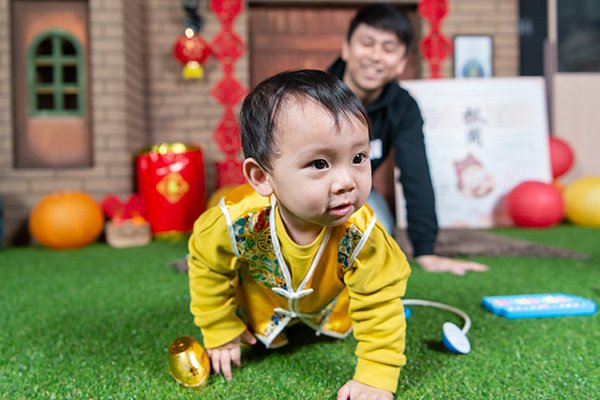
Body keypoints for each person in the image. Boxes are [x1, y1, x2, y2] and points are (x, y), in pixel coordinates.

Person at [188, 70, 411, 399]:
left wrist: (376, 376)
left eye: (359, 158)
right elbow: (207, 265)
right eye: (320, 163)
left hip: (331, 311)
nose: (347, 181)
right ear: (262, 177)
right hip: (259, 312)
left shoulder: (364, 235)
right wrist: (219, 327)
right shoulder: (235, 221)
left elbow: (380, 303)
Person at [327, 3, 488, 276]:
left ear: (401, 62)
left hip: (357, 191)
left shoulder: (404, 107)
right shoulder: (314, 96)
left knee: (379, 237)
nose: (376, 56)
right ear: (347, 48)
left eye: (388, 49)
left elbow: (416, 174)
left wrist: (426, 250)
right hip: (310, 188)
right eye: (367, 43)